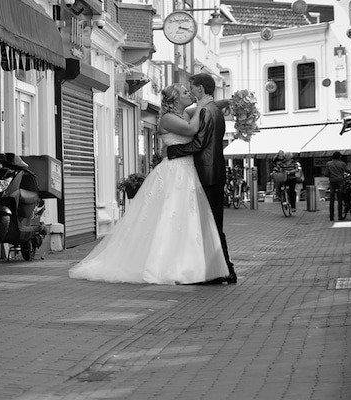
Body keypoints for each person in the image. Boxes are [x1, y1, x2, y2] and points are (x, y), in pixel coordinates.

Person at [68, 84, 230, 285]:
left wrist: (227, 102)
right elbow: (192, 129)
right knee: (169, 217)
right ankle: (164, 265)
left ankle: (190, 265)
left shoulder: (184, 114)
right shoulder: (168, 119)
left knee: (187, 219)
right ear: (175, 99)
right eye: (185, 92)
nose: (190, 94)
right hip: (174, 172)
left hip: (188, 171)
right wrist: (201, 105)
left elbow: (202, 112)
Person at [167, 73, 236, 284]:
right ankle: (221, 271)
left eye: (192, 87)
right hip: (213, 172)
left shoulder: (206, 111)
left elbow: (199, 144)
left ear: (201, 89)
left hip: (208, 173)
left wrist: (173, 151)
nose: (191, 91)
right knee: (213, 224)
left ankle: (223, 272)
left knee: (211, 225)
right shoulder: (213, 109)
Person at [325, 151, 349, 221]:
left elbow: (326, 174)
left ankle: (331, 217)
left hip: (332, 182)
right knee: (340, 199)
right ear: (339, 157)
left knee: (331, 200)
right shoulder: (342, 163)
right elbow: (348, 171)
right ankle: (340, 216)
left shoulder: (328, 164)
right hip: (340, 182)